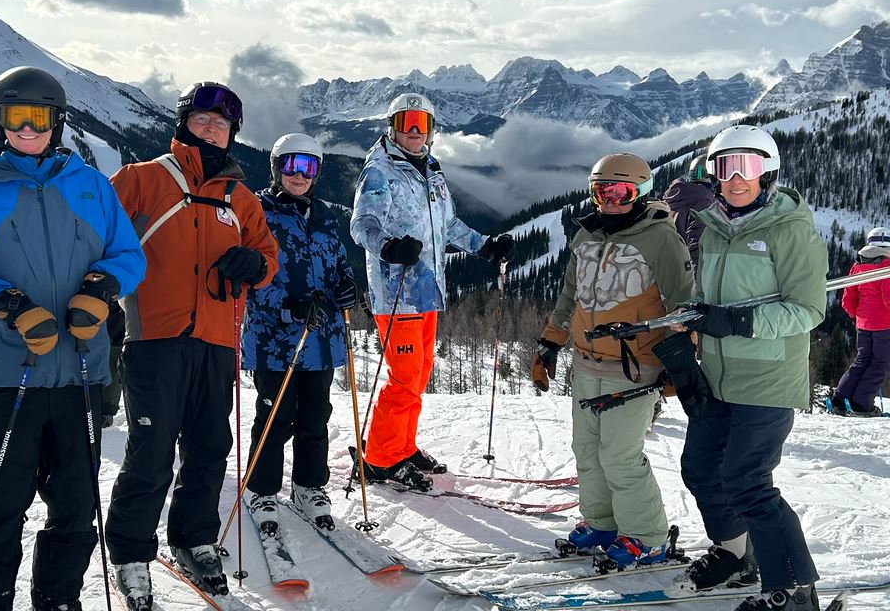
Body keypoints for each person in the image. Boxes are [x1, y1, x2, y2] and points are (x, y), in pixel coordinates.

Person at [0, 66, 145, 611]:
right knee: (1, 497)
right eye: (18, 118)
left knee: (77, 501)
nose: (30, 130)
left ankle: (58, 601)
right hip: (10, 372)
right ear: (0, 122)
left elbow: (129, 255)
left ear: (58, 121)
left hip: (80, 369)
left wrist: (102, 287)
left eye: (41, 118)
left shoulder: (91, 185)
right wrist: (7, 303)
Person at [105, 82, 278, 611]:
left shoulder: (239, 198)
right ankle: (132, 552)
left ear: (232, 135)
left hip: (218, 339)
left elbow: (267, 256)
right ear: (183, 123)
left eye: (221, 125)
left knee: (208, 447)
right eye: (202, 120)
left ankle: (193, 537)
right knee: (151, 451)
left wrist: (256, 266)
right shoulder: (143, 178)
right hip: (154, 336)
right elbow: (94, 230)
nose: (211, 130)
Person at [668, 125, 828, 611]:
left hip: (767, 377)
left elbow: (807, 310)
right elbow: (713, 292)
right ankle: (737, 552)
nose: (736, 178)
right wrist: (697, 313)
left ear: (769, 172)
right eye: (724, 167)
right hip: (717, 374)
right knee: (699, 468)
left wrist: (737, 322)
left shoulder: (790, 228)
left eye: (749, 167)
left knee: (747, 482)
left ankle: (794, 592)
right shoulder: (714, 225)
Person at [533, 153, 694, 568]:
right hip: (587, 361)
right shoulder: (585, 236)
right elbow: (570, 295)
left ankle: (648, 536)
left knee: (620, 454)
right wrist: (550, 342)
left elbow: (683, 305)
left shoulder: (660, 238)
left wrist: (684, 362)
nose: (610, 201)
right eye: (601, 191)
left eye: (621, 192)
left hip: (636, 365)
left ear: (640, 193)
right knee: (586, 449)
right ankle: (602, 522)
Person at [350, 93, 514, 490]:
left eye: (421, 123)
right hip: (397, 289)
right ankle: (380, 459)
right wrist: (388, 246)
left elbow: (449, 225)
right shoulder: (380, 170)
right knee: (404, 376)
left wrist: (485, 247)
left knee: (418, 375)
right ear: (392, 126)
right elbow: (362, 224)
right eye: (406, 122)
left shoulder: (430, 170)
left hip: (428, 290)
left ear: (431, 130)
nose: (413, 131)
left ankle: (401, 446)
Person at [242, 134, 358, 533]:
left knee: (315, 416)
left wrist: (346, 286)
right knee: (275, 416)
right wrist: (285, 303)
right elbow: (254, 270)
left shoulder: (324, 216)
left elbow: (340, 262)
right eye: (291, 165)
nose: (299, 175)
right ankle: (261, 489)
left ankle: (309, 487)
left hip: (321, 338)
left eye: (308, 167)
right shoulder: (259, 211)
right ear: (277, 167)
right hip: (275, 339)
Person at [830, 227, 890, 417]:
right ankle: (861, 404)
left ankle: (840, 399)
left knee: (862, 360)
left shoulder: (858, 265)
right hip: (884, 324)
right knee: (880, 363)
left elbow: (848, 298)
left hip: (863, 324)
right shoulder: (887, 265)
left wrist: (857, 316)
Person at [661, 153, 715, 276]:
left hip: (665, 271)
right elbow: (698, 248)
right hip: (684, 276)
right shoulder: (703, 203)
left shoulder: (673, 197)